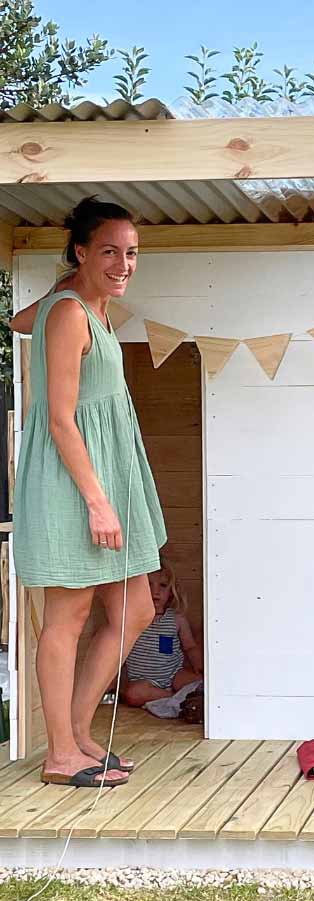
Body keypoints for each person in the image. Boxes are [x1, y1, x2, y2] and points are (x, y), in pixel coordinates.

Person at [11, 197, 166, 788]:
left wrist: (64, 289)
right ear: (81, 251)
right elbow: (59, 419)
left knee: (136, 608)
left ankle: (76, 733)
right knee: (68, 615)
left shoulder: (86, 308)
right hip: (75, 483)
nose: (123, 263)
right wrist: (98, 503)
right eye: (109, 251)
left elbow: (19, 320)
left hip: (109, 477)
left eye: (130, 253)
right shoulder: (74, 313)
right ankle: (59, 755)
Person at [121, 558, 203, 709]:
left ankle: (181, 696)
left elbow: (190, 646)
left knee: (201, 685)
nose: (155, 591)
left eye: (163, 586)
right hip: (143, 681)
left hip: (174, 674)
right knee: (133, 694)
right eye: (148, 585)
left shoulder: (176, 618)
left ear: (171, 592)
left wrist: (199, 665)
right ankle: (175, 698)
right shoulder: (131, 619)